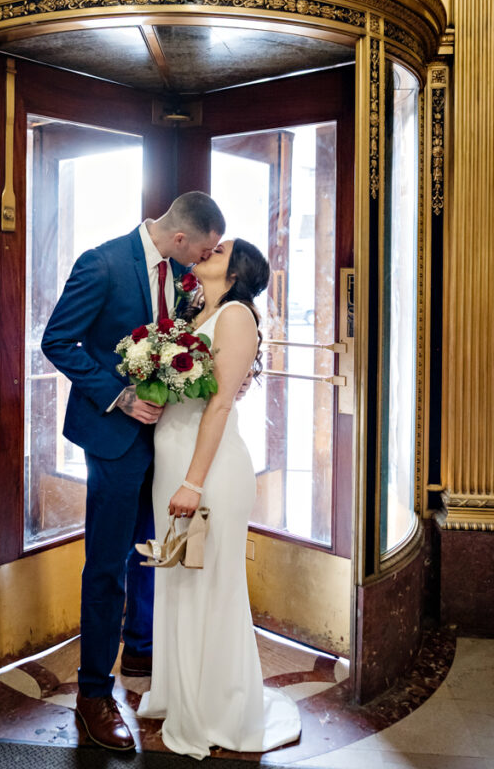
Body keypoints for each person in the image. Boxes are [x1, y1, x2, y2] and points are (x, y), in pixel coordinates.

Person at [41, 192, 225, 752]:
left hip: (166, 442)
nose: (203, 261)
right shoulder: (102, 263)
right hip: (115, 439)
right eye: (203, 251)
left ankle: (141, 651)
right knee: (107, 564)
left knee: (153, 554)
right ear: (178, 240)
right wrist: (119, 396)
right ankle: (93, 694)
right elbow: (57, 341)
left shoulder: (179, 275)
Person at [137, 238, 302, 759]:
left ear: (236, 271)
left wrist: (192, 481)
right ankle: (179, 693)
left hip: (207, 471)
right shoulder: (192, 309)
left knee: (209, 584)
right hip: (172, 460)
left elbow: (220, 406)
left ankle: (215, 709)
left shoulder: (234, 316)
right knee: (179, 581)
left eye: (222, 247)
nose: (210, 247)